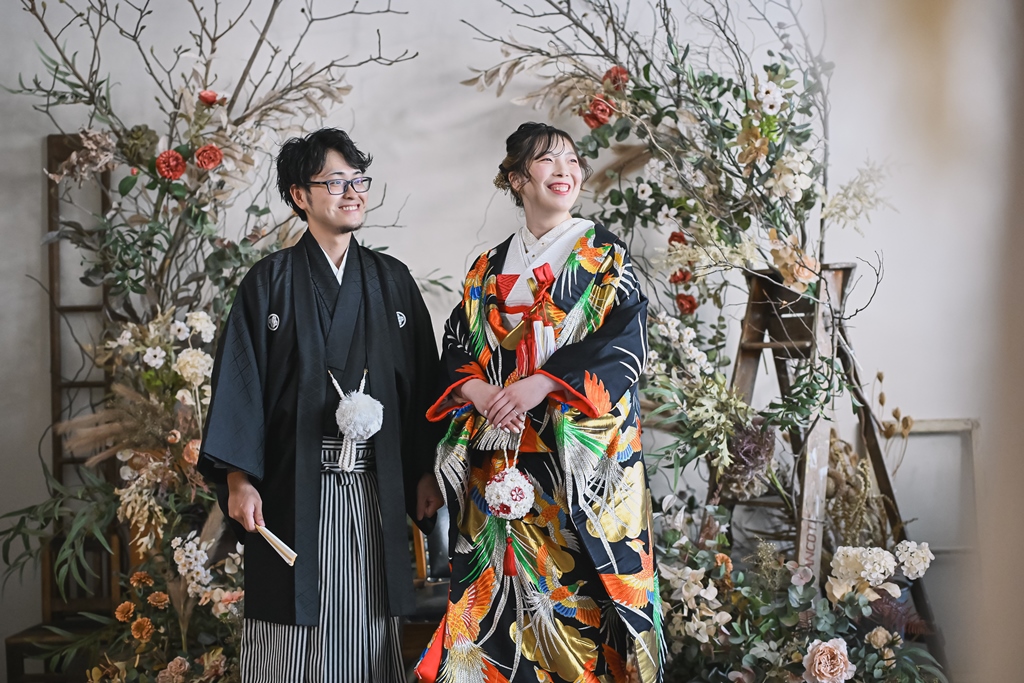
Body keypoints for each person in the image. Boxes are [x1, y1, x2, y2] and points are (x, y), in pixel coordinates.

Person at [415, 122, 663, 683]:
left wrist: (545, 383)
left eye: (572, 160)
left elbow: (624, 343)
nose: (565, 170)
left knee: (582, 604)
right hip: (499, 459)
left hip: (574, 469)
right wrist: (479, 390)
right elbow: (457, 344)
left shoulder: (604, 257)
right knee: (497, 602)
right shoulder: (486, 267)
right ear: (516, 179)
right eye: (548, 160)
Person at [198, 127, 444, 683]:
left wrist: (425, 470)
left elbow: (422, 385)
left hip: (375, 487)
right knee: (290, 632)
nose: (352, 192)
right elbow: (240, 384)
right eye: (335, 182)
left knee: (367, 627)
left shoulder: (392, 281)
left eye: (359, 180)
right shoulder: (269, 283)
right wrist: (238, 479)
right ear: (299, 195)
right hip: (291, 489)